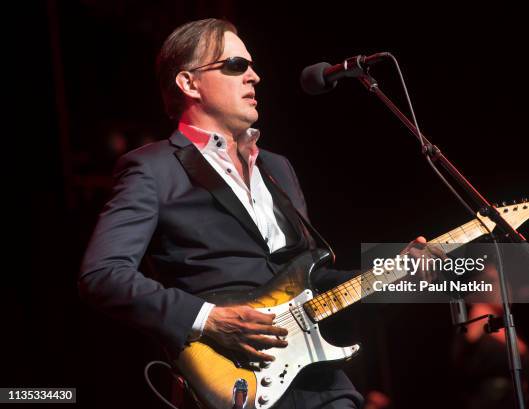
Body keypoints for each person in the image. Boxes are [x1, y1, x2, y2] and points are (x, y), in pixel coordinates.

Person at [79, 18, 443, 409]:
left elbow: (309, 277)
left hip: (318, 379)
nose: (254, 76)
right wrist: (209, 319)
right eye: (235, 65)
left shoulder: (277, 167)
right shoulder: (153, 167)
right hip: (233, 381)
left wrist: (394, 273)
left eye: (251, 66)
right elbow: (104, 275)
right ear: (188, 83)